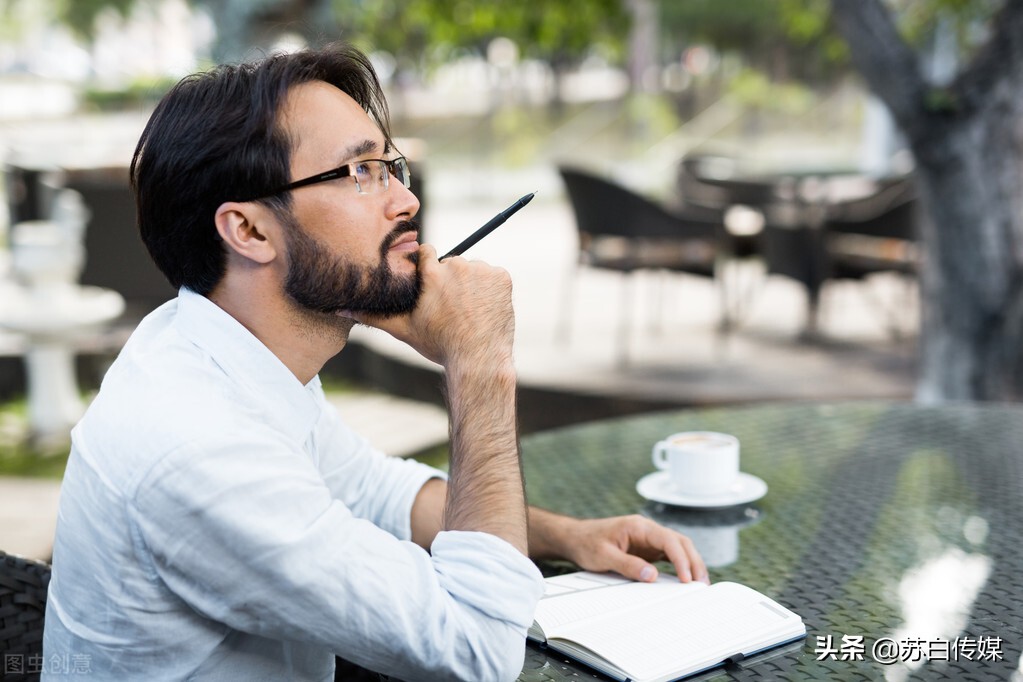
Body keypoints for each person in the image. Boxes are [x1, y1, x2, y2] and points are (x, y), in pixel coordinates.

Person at [42, 42, 707, 681]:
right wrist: (479, 366)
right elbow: (476, 649)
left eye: (392, 167)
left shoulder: (217, 346)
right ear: (248, 231)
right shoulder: (196, 449)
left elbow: (374, 494)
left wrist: (567, 536)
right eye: (359, 172)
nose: (404, 201)